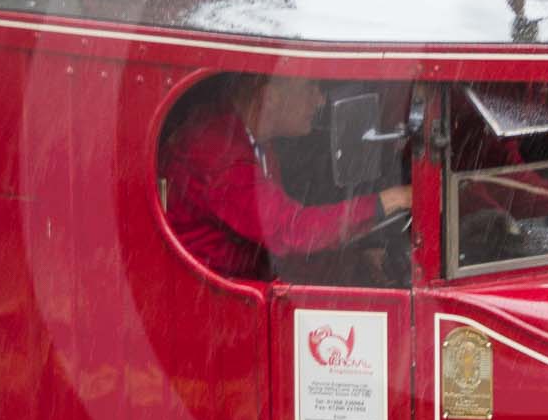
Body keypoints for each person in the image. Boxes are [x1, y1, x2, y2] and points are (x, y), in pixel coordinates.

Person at [161, 76, 411, 281]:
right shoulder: (219, 154)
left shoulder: (256, 143)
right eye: (310, 87)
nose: (320, 100)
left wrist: (355, 258)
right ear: (270, 95)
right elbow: (289, 232)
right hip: (214, 303)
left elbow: (278, 249)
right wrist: (391, 200)